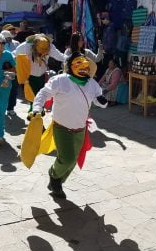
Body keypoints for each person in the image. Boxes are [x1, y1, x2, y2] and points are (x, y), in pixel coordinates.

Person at [31, 52, 108, 198]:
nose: (83, 69)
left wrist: (102, 101)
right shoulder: (60, 80)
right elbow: (43, 93)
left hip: (80, 129)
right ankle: (53, 175)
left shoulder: (92, 83)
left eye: (85, 66)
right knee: (67, 159)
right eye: (79, 64)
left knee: (73, 161)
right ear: (71, 66)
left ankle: (57, 182)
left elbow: (98, 99)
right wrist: (37, 108)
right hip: (62, 128)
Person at [15, 33, 66, 110]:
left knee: (41, 95)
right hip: (30, 76)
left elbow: (60, 56)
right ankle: (33, 112)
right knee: (32, 95)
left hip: (42, 75)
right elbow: (14, 55)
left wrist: (72, 60)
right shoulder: (25, 47)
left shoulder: (50, 47)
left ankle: (38, 110)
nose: (43, 52)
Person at [2, 30, 20, 116]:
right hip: (3, 71)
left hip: (14, 70)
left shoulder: (17, 44)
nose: (6, 40)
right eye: (5, 38)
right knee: (4, 89)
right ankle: (3, 107)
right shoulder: (0, 45)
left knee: (14, 90)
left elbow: (20, 55)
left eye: (8, 38)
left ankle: (11, 108)